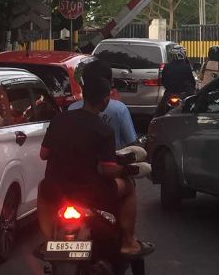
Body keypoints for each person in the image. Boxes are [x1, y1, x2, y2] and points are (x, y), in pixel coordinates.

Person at [38, 77, 152, 256]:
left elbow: (43, 154)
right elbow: (107, 169)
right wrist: (124, 171)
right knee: (129, 187)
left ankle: (48, 241)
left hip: (56, 188)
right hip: (93, 192)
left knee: (42, 188)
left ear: (83, 95)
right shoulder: (103, 129)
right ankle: (128, 241)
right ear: (105, 100)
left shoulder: (59, 119)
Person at [68, 59, 137, 149]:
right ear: (108, 82)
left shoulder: (71, 109)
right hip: (111, 159)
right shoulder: (119, 109)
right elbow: (131, 142)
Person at [157, 46, 196, 116]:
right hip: (183, 93)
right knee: (193, 107)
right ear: (182, 54)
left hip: (169, 93)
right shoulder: (186, 67)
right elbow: (192, 81)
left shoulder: (167, 66)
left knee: (159, 112)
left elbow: (163, 81)